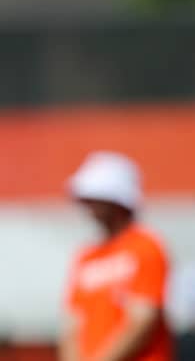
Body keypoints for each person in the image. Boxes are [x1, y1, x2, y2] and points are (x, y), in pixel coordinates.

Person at [59, 151, 172, 361]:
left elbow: (142, 321)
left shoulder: (146, 247)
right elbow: (72, 326)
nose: (88, 205)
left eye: (95, 198)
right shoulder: (86, 257)